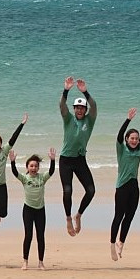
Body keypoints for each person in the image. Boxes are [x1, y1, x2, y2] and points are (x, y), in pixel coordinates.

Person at [110, 108, 140, 261]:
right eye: (131, 138)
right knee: (118, 216)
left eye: (136, 138)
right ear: (127, 139)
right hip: (121, 186)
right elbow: (118, 136)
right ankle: (112, 245)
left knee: (130, 216)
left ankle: (121, 243)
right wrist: (127, 120)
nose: (134, 140)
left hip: (134, 186)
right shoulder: (121, 149)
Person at [58, 76, 98, 236]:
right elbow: (61, 106)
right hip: (66, 160)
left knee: (91, 191)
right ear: (74, 109)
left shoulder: (90, 120)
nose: (79, 110)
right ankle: (68, 218)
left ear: (85, 110)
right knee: (67, 190)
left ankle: (78, 215)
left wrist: (85, 92)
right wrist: (66, 90)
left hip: (80, 160)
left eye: (82, 108)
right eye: (77, 108)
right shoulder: (68, 119)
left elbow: (94, 105)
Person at [10, 148, 57, 270]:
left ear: (38, 168)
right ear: (27, 167)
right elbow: (15, 173)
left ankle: (41, 262)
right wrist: (12, 162)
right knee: (28, 235)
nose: (33, 168)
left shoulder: (42, 178)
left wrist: (53, 160)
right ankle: (25, 261)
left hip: (40, 210)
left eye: (35, 166)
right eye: (31, 166)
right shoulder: (25, 179)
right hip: (28, 210)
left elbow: (51, 172)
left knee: (40, 236)